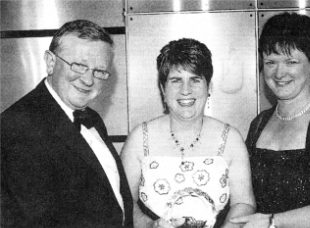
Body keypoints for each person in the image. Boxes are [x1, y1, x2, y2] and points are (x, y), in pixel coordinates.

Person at [1, 20, 133, 227]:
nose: (88, 80)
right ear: (51, 62)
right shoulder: (17, 127)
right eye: (79, 66)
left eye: (99, 71)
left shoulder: (93, 119)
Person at [120, 38, 256, 228]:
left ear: (208, 87)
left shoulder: (230, 139)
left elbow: (244, 203)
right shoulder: (139, 139)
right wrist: (148, 225)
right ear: (163, 89)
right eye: (176, 81)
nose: (186, 90)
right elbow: (123, 202)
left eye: (195, 80)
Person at [231, 12, 310, 228]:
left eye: (291, 61)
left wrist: (274, 222)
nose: (279, 73)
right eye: (271, 62)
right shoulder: (259, 124)